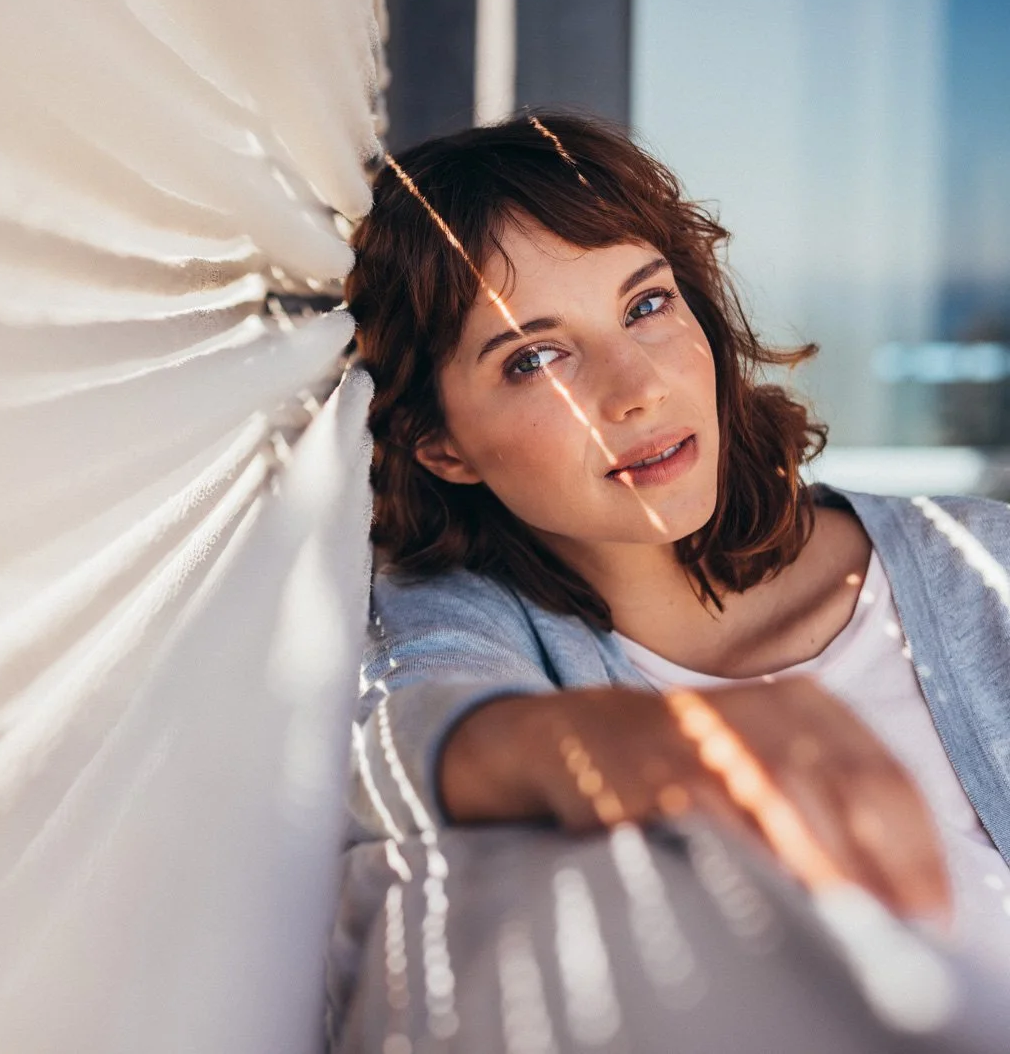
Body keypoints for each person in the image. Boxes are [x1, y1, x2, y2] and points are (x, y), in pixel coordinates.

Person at [327, 112, 1010, 1053]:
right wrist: (594, 741)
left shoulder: (983, 564)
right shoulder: (456, 620)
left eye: (646, 304)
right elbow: (381, 743)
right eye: (533, 358)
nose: (634, 385)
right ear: (439, 443)